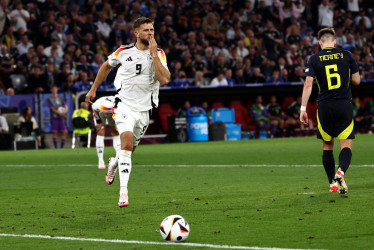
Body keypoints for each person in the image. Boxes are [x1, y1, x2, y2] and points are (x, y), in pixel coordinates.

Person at [85, 17, 170, 207]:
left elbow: (164, 79)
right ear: (136, 33)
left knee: (129, 151)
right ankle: (123, 193)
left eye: (152, 30)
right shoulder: (123, 52)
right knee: (126, 144)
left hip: (144, 110)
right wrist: (93, 89)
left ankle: (113, 163)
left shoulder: (160, 53)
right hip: (123, 105)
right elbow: (106, 66)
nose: (150, 33)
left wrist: (154, 55)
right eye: (146, 30)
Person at [300, 28, 360, 194]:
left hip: (325, 106)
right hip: (343, 104)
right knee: (346, 144)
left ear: (320, 43)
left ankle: (333, 183)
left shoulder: (314, 58)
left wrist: (303, 109)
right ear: (335, 41)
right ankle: (340, 174)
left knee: (327, 146)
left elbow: (308, 85)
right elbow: (357, 80)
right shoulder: (347, 55)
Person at [92, 96, 121, 170]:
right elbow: (94, 108)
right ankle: (100, 161)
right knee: (100, 132)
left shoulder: (119, 106)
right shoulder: (97, 106)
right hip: (100, 114)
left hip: (113, 114)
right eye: (106, 112)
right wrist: (99, 121)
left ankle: (119, 157)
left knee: (115, 132)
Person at [48, 84, 68, 149]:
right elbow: (52, 108)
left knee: (65, 132)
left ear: (57, 89)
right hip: (54, 117)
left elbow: (65, 106)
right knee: (55, 132)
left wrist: (64, 111)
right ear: (51, 90)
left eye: (55, 88)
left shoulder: (60, 98)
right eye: (53, 89)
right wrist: (60, 113)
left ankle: (61, 147)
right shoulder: (49, 99)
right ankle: (56, 147)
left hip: (61, 117)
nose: (54, 90)